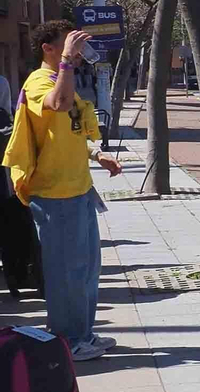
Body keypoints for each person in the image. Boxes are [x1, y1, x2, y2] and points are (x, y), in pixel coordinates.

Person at [2, 21, 122, 360]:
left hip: (79, 189)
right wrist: (68, 60)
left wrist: (98, 154)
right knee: (66, 272)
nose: (77, 49)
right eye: (68, 43)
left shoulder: (62, 78)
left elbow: (67, 132)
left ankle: (83, 334)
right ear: (48, 48)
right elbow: (56, 104)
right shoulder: (39, 81)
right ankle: (67, 339)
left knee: (86, 270)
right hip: (54, 194)